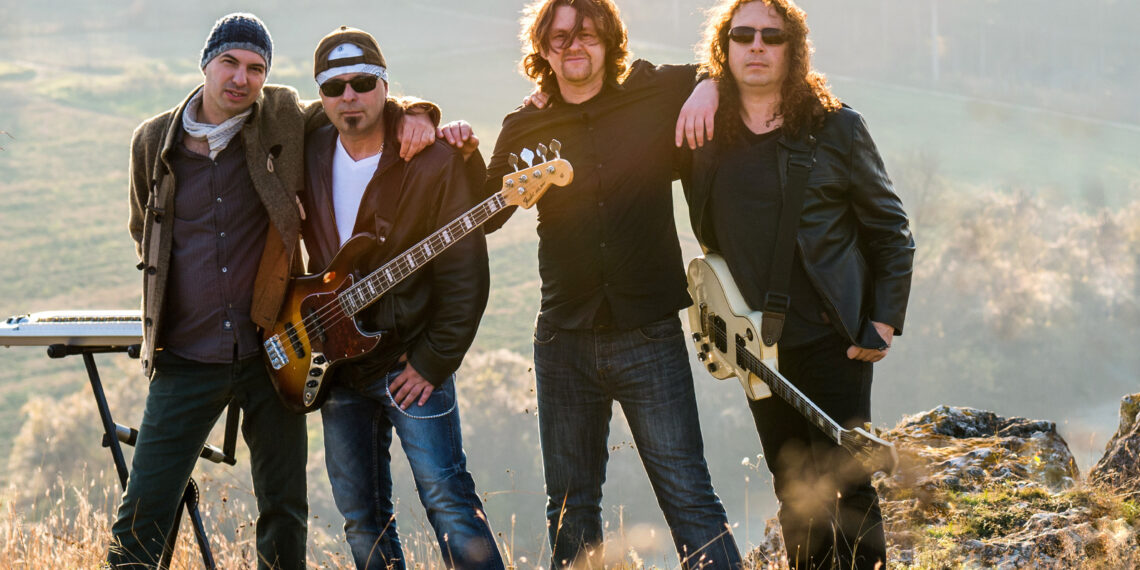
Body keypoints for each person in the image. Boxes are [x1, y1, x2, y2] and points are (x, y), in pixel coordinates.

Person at [115, 13, 436, 569]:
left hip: (276, 349)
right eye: (230, 63)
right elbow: (145, 229)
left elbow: (353, 106)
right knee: (145, 505)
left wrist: (419, 113)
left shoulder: (282, 115)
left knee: (284, 509)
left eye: (255, 68)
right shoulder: (151, 141)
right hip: (186, 356)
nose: (241, 79)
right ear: (206, 64)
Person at [441, 1, 741, 567]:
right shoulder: (524, 125)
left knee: (689, 496)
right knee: (570, 510)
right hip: (563, 340)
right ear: (542, 50)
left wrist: (706, 87)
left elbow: (720, 62)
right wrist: (464, 153)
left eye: (588, 34)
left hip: (649, 333)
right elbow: (488, 215)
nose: (574, 46)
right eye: (559, 38)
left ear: (610, 41)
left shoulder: (655, 91)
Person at [683, 1, 915, 568]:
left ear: (794, 48)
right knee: (794, 493)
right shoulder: (705, 132)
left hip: (833, 340)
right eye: (742, 35)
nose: (757, 46)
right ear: (725, 47)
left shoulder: (838, 128)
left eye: (772, 35)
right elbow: (625, 88)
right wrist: (703, 84)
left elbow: (892, 232)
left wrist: (883, 322)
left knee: (849, 489)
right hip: (755, 348)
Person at [301, 26, 503, 570]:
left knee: (449, 501)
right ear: (320, 97)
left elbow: (465, 272)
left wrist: (434, 360)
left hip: (409, 365)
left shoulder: (431, 159)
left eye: (363, 83)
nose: (349, 96)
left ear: (385, 86)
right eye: (334, 86)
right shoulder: (309, 148)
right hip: (337, 366)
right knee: (361, 518)